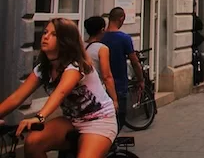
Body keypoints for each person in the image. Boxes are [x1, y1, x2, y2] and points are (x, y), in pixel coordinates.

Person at [0, 19, 118, 157]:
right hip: (71, 120)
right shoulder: (43, 69)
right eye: (45, 32)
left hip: (99, 121)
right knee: (33, 142)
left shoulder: (76, 65)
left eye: (53, 34)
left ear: (65, 41)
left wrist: (40, 117)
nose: (45, 36)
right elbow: (17, 97)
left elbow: (61, 92)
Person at [102, 7, 144, 130]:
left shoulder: (101, 37)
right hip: (119, 84)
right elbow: (134, 61)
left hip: (102, 85)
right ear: (121, 19)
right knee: (119, 118)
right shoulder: (124, 38)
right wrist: (140, 79)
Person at [83, 17, 119, 112]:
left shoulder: (81, 46)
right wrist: (114, 99)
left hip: (82, 92)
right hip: (96, 92)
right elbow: (107, 76)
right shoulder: (102, 49)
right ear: (102, 30)